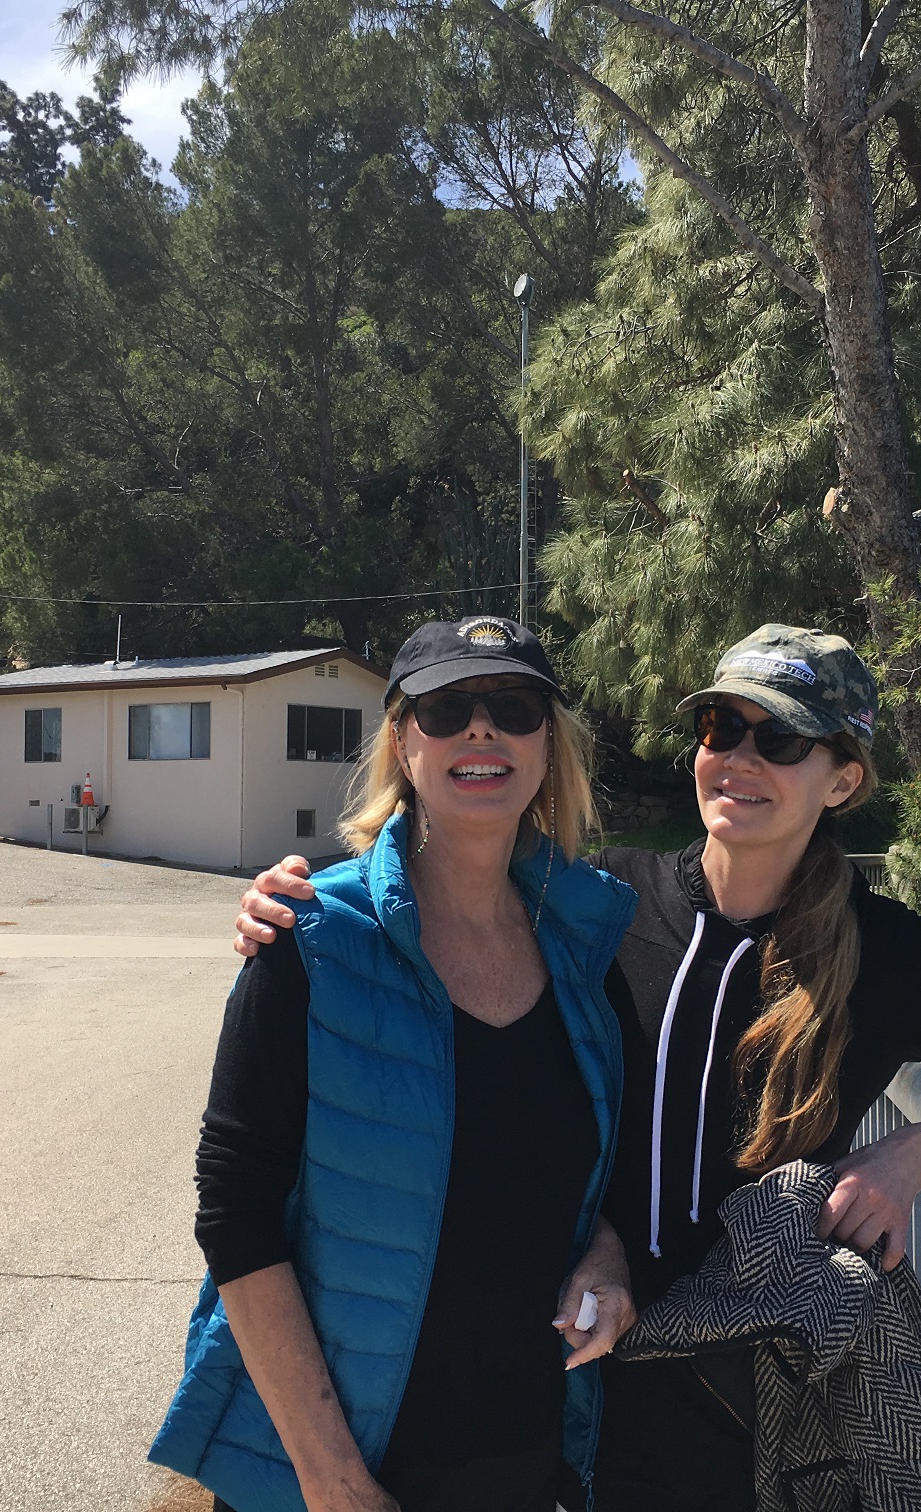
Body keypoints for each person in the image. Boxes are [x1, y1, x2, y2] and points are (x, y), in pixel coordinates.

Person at [233, 625, 921, 1512]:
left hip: (751, 1391)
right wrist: (293, 905)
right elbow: (447, 896)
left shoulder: (891, 954)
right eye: (721, 729)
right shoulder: (599, 903)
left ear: (843, 779)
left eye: (782, 740)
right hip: (576, 1368)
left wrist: (905, 1159)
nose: (740, 759)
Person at [150, 616, 641, 1512]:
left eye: (514, 707)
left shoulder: (588, 945)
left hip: (524, 1459)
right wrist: (330, 1477)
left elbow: (611, 1177)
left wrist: (608, 1262)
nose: (481, 729)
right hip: (341, 1471)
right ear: (403, 744)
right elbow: (235, 1210)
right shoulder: (313, 939)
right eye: (447, 708)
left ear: (548, 749)